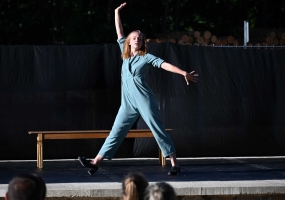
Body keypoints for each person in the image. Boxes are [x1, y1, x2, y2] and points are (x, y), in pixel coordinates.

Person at [78, 2, 198, 176]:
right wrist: (116, 12)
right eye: (135, 37)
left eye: (140, 38)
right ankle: (95, 162)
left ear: (142, 43)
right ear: (129, 42)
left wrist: (183, 73)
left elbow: (163, 65)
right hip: (127, 103)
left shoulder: (146, 57)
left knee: (157, 129)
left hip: (144, 100)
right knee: (116, 132)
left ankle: (175, 164)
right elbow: (119, 32)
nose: (137, 39)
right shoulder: (125, 54)